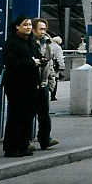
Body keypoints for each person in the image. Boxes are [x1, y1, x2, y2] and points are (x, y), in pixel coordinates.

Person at [2, 16, 40, 157]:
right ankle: (11, 147)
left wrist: (40, 60)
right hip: (16, 84)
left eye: (30, 25)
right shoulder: (12, 42)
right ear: (17, 26)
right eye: (25, 25)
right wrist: (31, 62)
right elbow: (11, 62)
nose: (29, 27)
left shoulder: (30, 42)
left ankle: (23, 144)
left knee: (27, 116)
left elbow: (35, 56)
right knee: (16, 115)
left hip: (30, 83)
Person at [31, 18, 59, 149]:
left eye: (44, 29)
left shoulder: (48, 43)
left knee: (44, 115)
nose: (43, 32)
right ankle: (26, 140)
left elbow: (50, 64)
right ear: (33, 29)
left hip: (43, 82)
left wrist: (51, 82)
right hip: (31, 83)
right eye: (40, 29)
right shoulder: (29, 43)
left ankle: (45, 138)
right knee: (29, 113)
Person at [49, 35, 64, 101]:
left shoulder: (49, 45)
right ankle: (53, 95)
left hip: (49, 64)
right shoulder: (58, 47)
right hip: (55, 66)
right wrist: (62, 66)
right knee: (55, 80)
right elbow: (59, 58)